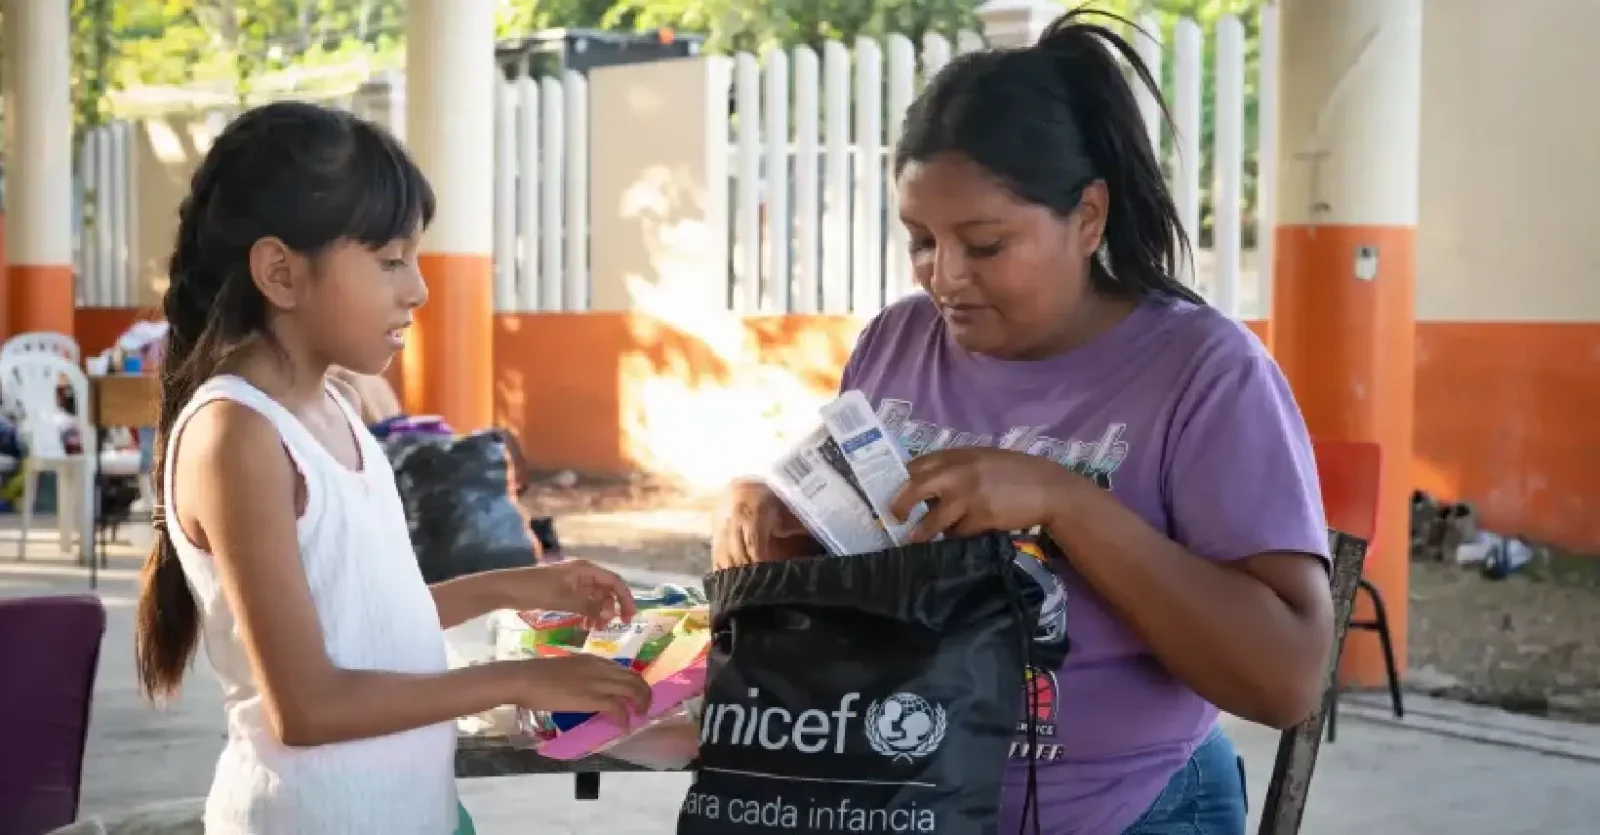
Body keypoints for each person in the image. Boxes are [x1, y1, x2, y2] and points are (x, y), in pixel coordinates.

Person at [711, 9, 1334, 835]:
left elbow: (1287, 678)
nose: (945, 277)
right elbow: (862, 560)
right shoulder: (898, 343)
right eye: (921, 240)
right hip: (895, 792)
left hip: (1122, 808)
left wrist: (1065, 502)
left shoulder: (1204, 373)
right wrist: (776, 519)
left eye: (986, 243)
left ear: (1087, 216)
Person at [133, 102, 650, 835]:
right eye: (389, 260)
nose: (419, 288)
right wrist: (518, 678)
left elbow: (366, 622)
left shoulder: (336, 408)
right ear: (281, 271)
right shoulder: (236, 435)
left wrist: (521, 585)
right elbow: (308, 706)